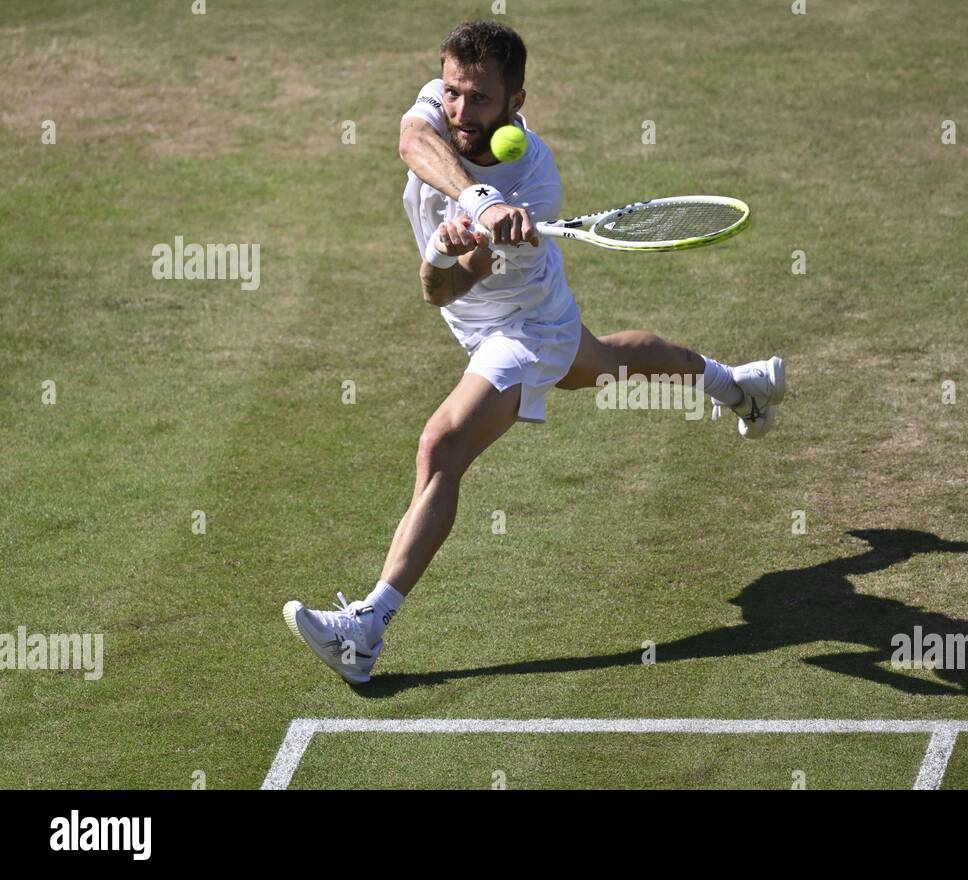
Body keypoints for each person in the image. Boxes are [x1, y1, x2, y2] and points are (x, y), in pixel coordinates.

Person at [282, 20, 785, 683]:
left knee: (443, 447)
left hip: (523, 326)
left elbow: (449, 289)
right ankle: (736, 385)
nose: (462, 111)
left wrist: (468, 246)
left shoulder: (537, 186)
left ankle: (366, 629)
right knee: (605, 364)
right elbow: (414, 151)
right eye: (455, 91)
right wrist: (466, 216)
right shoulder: (439, 110)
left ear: (516, 102)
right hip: (481, 318)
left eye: (481, 99)